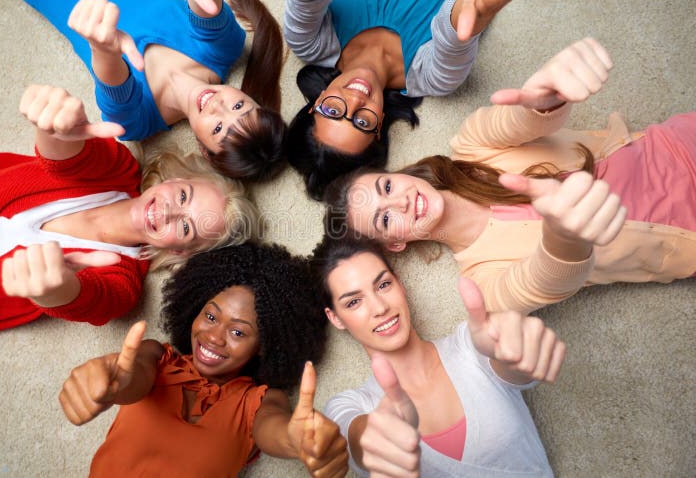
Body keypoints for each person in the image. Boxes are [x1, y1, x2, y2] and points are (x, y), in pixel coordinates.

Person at [323, 38, 696, 313]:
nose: (400, 200)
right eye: (385, 217)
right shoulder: (483, 284)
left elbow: (521, 118)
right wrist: (563, 234)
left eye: (386, 187)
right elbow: (545, 280)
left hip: (677, 144)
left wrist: (545, 96)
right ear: (395, 244)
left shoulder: (471, 144)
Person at [0, 85, 259, 352]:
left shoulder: (123, 281)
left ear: (182, 252)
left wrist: (57, 290)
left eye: (185, 226)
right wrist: (55, 126)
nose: (168, 210)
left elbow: (89, 300)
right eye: (183, 196)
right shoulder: (117, 168)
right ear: (176, 179)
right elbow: (62, 154)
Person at [0, 0, 286, 181]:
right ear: (252, 98)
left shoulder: (137, 123)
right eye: (239, 108)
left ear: (204, 150)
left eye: (219, 128)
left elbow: (113, 80)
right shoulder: (226, 48)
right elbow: (204, 3)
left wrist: (105, 50)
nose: (219, 107)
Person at [59, 243, 349, 477]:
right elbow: (131, 378)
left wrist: (297, 440)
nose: (214, 337)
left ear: (264, 346)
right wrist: (113, 382)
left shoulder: (257, 401)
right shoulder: (158, 357)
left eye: (238, 331)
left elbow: (274, 429)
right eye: (210, 316)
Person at [276, 0, 536, 198]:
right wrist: (480, 5)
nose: (355, 100)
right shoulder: (433, 77)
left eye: (333, 111)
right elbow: (455, 26)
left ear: (316, 102)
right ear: (378, 131)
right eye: (362, 122)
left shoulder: (310, 43)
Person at [311, 236, 565, 476]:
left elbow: (509, 363)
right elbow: (356, 438)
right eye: (353, 302)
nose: (380, 307)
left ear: (399, 283)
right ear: (335, 318)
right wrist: (375, 438)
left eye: (384, 285)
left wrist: (518, 352)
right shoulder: (348, 406)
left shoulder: (470, 344)